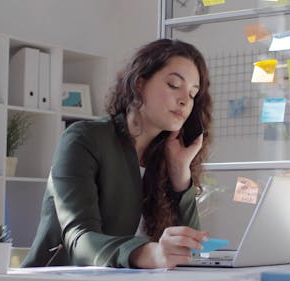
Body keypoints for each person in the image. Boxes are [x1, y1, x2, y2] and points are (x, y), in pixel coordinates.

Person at [21, 39, 212, 269]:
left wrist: (180, 172)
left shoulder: (165, 158)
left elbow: (190, 253)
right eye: (173, 85)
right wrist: (149, 253)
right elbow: (80, 240)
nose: (184, 100)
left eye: (192, 94)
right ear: (140, 84)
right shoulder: (84, 138)